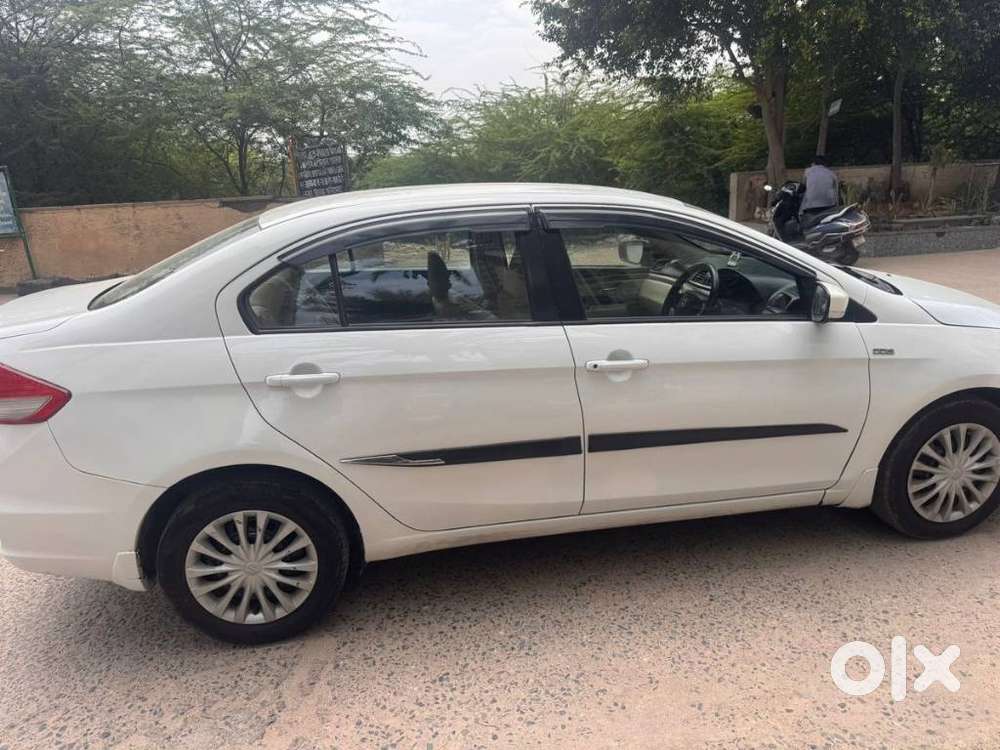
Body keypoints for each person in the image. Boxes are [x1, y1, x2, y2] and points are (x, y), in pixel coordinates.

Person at [800, 155, 840, 225]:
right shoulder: (831, 173)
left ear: (813, 163)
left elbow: (803, 185)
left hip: (811, 206)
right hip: (829, 204)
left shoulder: (807, 171)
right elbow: (836, 190)